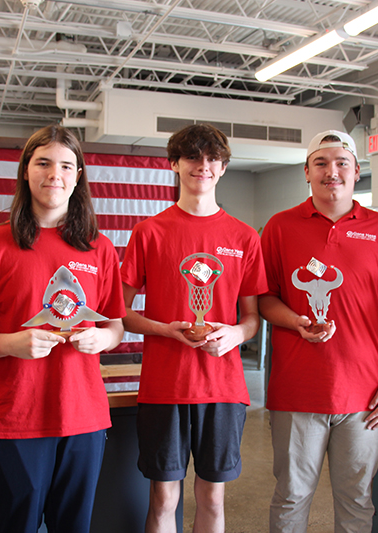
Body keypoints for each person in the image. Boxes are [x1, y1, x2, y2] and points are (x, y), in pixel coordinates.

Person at [0, 125, 125, 533]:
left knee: (74, 525)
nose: (55, 173)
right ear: (25, 171)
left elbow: (116, 327)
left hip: (84, 416)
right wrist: (14, 343)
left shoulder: (99, 247)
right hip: (19, 416)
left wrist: (103, 338)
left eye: (66, 165)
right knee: (17, 524)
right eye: (44, 162)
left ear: (79, 175)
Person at [259, 129, 378, 533]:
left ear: (357, 171)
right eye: (321, 163)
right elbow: (264, 298)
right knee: (291, 496)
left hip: (364, 395)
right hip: (296, 390)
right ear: (306, 172)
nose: (332, 172)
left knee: (358, 501)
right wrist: (295, 321)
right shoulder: (279, 227)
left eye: (342, 162)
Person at [120, 123, 267, 533]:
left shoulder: (242, 237)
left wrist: (235, 334)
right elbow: (121, 312)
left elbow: (252, 318)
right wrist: (167, 330)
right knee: (164, 497)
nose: (202, 166)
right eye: (192, 158)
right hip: (165, 385)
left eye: (212, 159)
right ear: (174, 164)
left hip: (223, 387)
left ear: (223, 168)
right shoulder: (149, 232)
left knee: (212, 498)